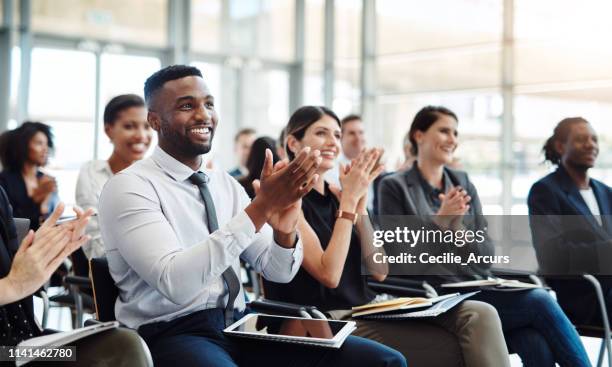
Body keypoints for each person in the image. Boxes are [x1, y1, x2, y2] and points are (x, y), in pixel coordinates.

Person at [98, 65, 406, 367]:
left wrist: (285, 234)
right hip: (172, 331)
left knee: (385, 360)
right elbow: (175, 283)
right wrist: (260, 209)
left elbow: (278, 270)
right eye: (187, 106)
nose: (204, 115)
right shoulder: (129, 187)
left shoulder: (224, 185)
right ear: (154, 120)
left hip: (241, 323)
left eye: (209, 104)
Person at [263, 105, 511, 367]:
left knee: (480, 313)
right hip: (326, 319)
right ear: (293, 142)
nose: (332, 142)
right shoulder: (288, 201)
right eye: (322, 133)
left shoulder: (340, 196)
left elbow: (379, 269)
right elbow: (330, 275)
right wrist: (349, 203)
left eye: (336, 135)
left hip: (369, 309)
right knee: (462, 346)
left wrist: (359, 208)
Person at [378, 105, 591, 367]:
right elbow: (399, 261)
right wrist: (440, 223)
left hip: (474, 287)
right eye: (444, 131)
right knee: (539, 300)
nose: (452, 139)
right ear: (418, 135)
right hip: (434, 294)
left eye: (455, 133)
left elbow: (485, 256)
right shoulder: (394, 186)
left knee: (532, 338)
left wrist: (459, 231)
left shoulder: (462, 182)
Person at [0, 186, 150, 366]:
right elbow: (13, 282)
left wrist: (40, 253)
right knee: (120, 349)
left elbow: (14, 268)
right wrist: (12, 285)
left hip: (22, 348)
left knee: (121, 345)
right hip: (6, 353)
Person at [528, 117, 612, 326]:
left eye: (594, 139)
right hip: (585, 296)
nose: (591, 145)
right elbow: (552, 255)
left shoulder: (606, 193)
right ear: (560, 146)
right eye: (581, 139)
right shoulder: (546, 192)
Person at [75, 94, 153, 259]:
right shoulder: (93, 173)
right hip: (111, 274)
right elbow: (97, 247)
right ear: (109, 130)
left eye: (147, 126)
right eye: (129, 126)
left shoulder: (156, 177)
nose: (141, 135)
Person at [0, 122, 59, 230]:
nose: (45, 149)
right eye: (39, 143)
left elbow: (52, 217)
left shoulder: (47, 180)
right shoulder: (5, 180)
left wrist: (44, 204)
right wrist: (36, 201)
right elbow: (10, 225)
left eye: (46, 144)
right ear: (24, 145)